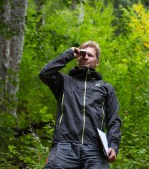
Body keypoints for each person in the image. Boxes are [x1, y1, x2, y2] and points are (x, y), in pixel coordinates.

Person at [39, 41, 121, 169]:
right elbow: (45, 73)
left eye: (90, 55)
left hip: (95, 150)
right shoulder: (64, 82)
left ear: (97, 62)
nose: (86, 57)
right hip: (64, 147)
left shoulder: (106, 88)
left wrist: (113, 146)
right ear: (77, 58)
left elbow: (113, 120)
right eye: (83, 54)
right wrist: (70, 53)